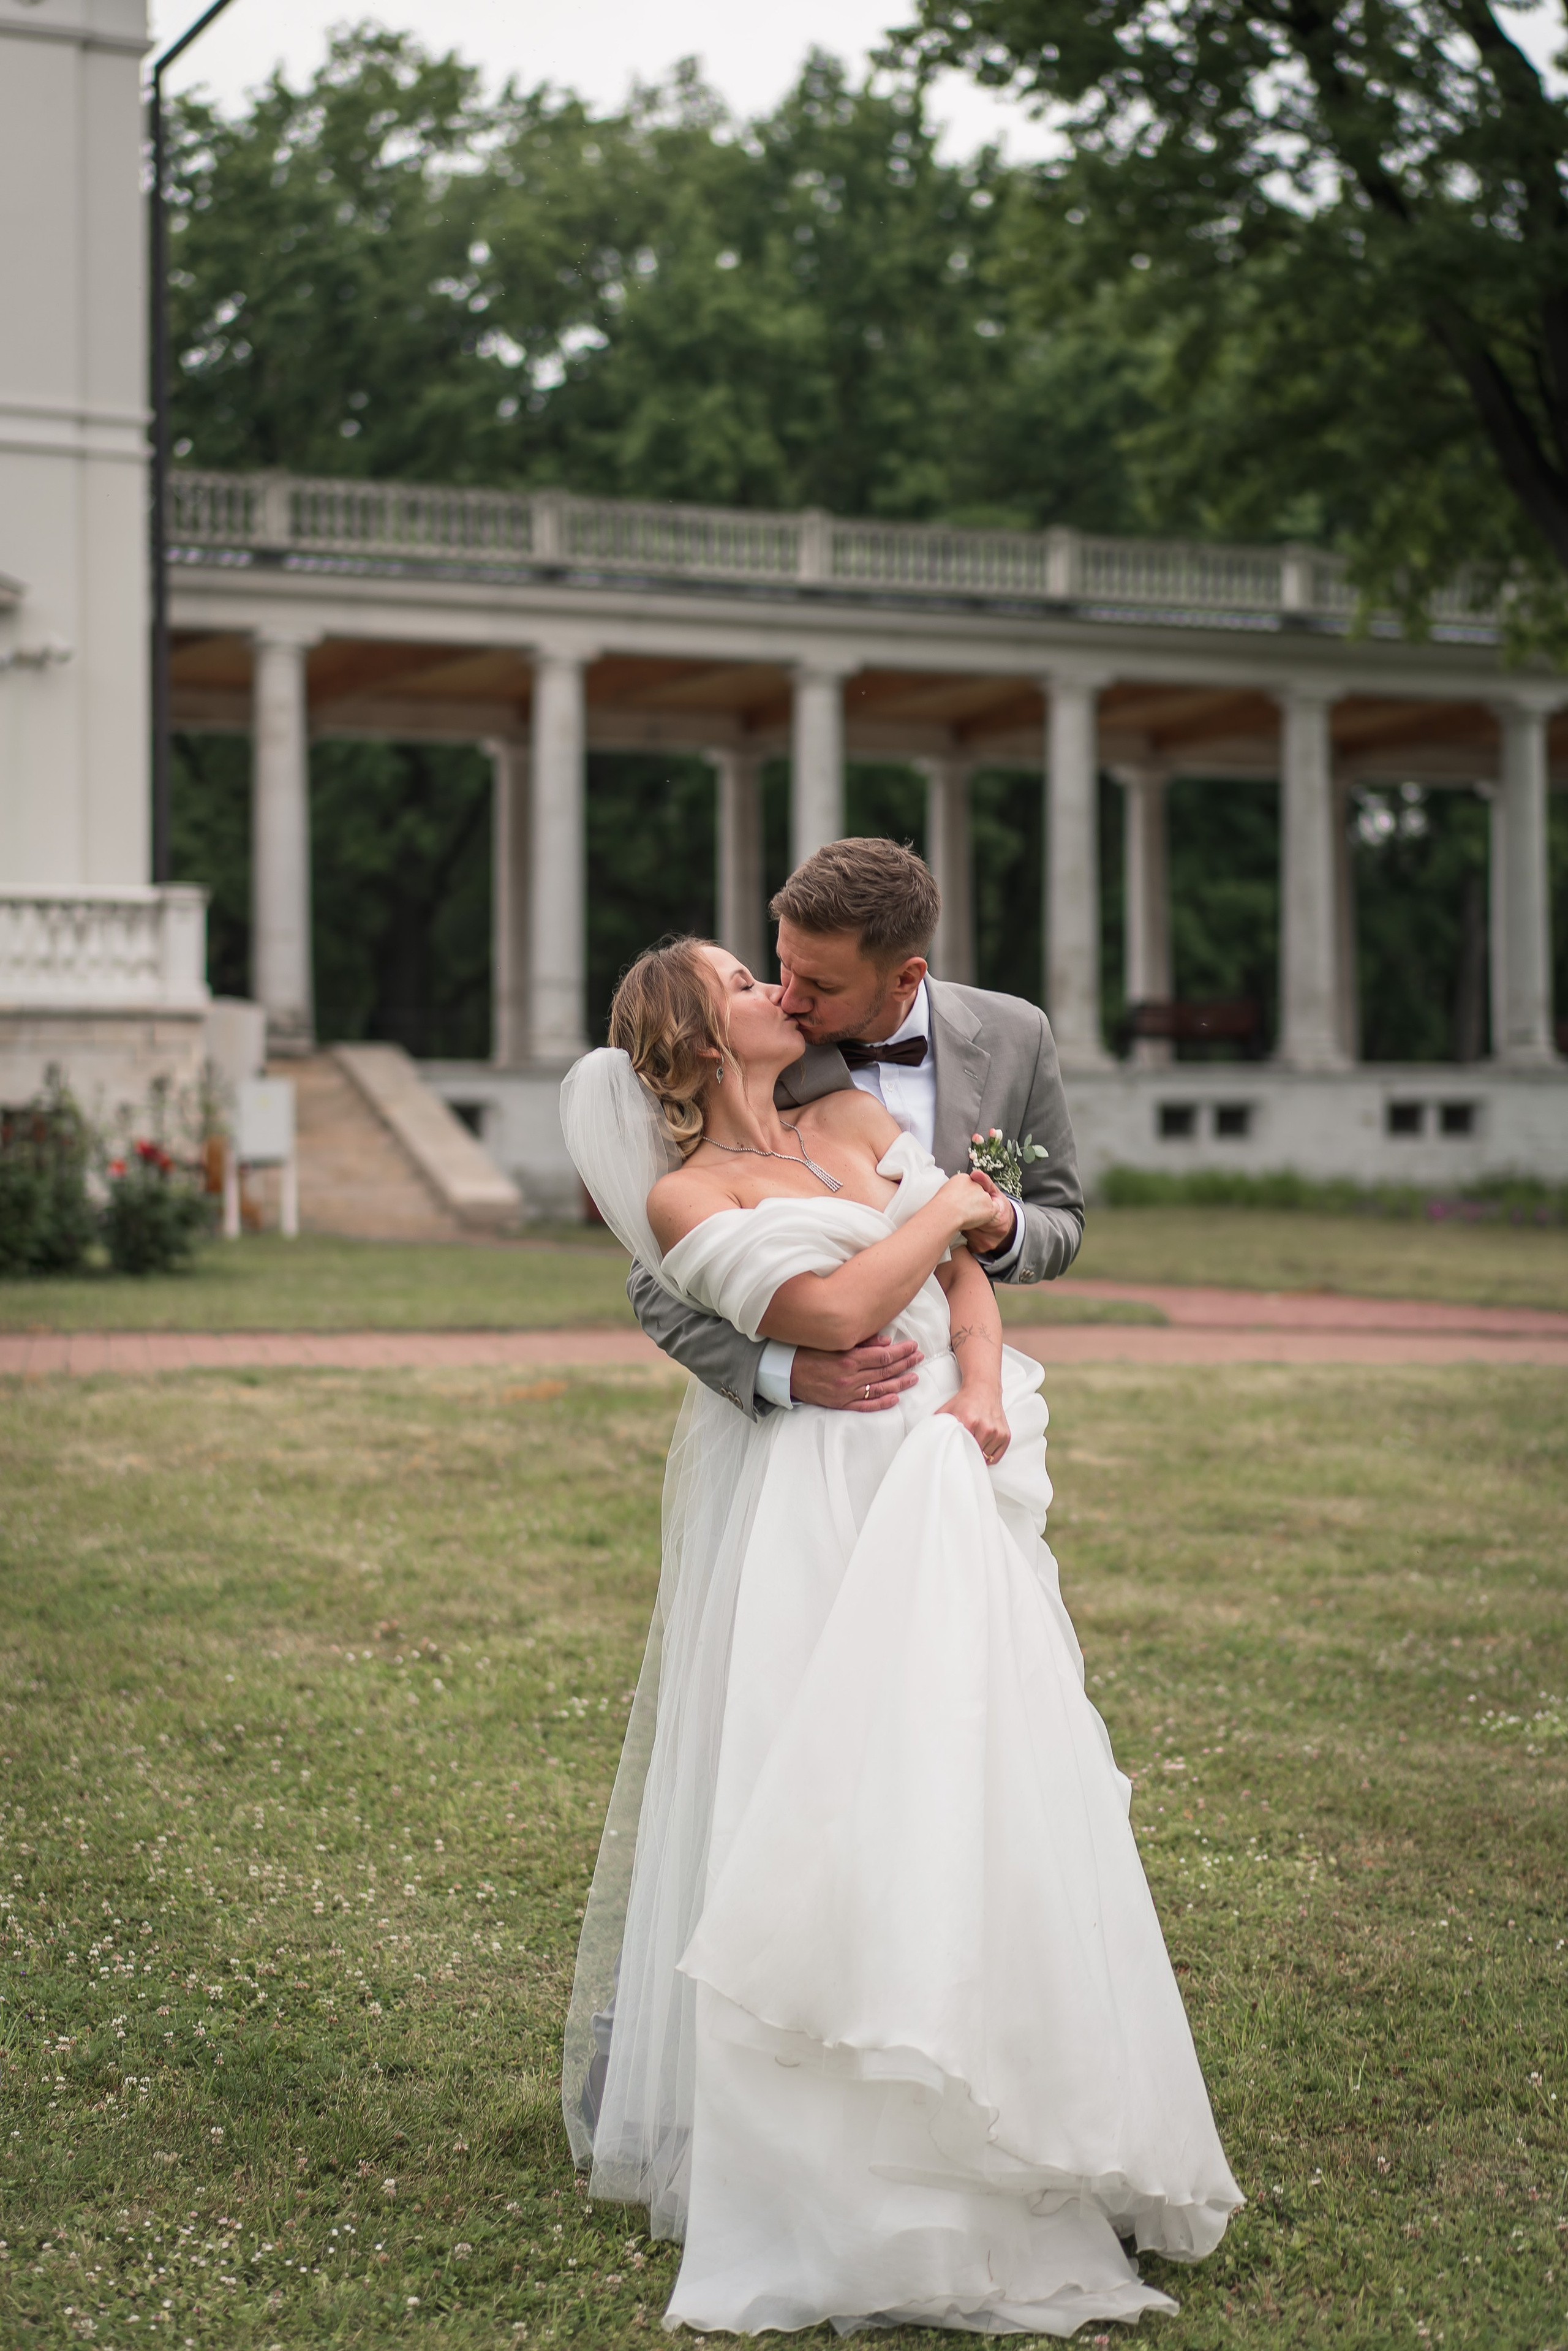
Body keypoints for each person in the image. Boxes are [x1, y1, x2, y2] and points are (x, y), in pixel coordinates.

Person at [557, 932, 1242, 2338]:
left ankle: (1017, 2106)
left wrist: (980, 1376)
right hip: (817, 1498)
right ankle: (842, 2151)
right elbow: (843, 1304)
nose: (771, 987)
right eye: (739, 980)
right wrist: (947, 1216)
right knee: (831, 1784)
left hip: (941, 1471)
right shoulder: (685, 1191)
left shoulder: (850, 1121)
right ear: (692, 1038)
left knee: (988, 1771)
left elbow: (966, 1285)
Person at [628, 837, 1085, 1422]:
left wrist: (1002, 1223)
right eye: (785, 967)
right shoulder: (764, 1054)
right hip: (809, 1423)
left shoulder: (1018, 1035)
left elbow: (1061, 1218)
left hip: (950, 1396)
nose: (788, 998)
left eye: (822, 987)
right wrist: (779, 1370)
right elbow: (654, 1283)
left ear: (905, 978)